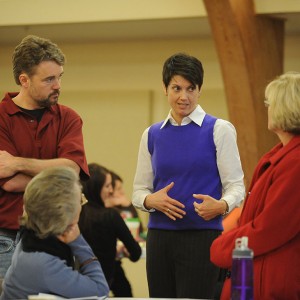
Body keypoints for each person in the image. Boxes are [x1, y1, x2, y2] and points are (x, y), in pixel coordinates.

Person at [132, 52, 245, 299]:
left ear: (199, 90)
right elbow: (139, 191)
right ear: (165, 89)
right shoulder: (151, 134)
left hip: (202, 237)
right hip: (159, 238)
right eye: (177, 88)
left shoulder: (219, 129)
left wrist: (222, 205)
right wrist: (150, 201)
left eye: (191, 88)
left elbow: (236, 186)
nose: (184, 96)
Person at [0, 35, 89, 282]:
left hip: (57, 235)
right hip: (8, 237)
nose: (58, 85)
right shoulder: (1, 118)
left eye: (60, 77)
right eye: (49, 79)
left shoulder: (69, 118)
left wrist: (17, 163)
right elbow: (8, 182)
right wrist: (59, 182)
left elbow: (71, 171)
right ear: (24, 80)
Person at [210, 72, 300, 300]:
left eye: (271, 103)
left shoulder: (295, 161)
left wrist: (222, 247)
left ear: (286, 107)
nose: (267, 108)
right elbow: (251, 216)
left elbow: (271, 226)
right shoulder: (279, 155)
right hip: (254, 273)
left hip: (275, 281)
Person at [0, 166, 109, 300]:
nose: (82, 205)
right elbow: (101, 291)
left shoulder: (29, 239)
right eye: (80, 200)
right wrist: (78, 242)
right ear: (65, 215)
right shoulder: (44, 263)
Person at [79, 163, 142, 288]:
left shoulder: (76, 214)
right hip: (103, 282)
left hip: (78, 281)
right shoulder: (110, 216)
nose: (111, 190)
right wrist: (128, 206)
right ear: (97, 188)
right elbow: (135, 253)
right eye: (108, 186)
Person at [106, 170, 144, 297]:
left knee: (125, 292)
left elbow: (138, 231)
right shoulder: (102, 214)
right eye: (118, 189)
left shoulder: (118, 213)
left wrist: (129, 206)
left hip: (114, 263)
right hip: (100, 265)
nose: (122, 193)